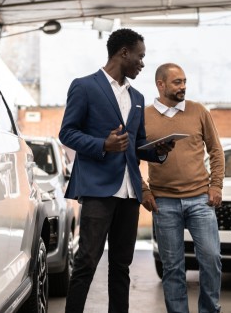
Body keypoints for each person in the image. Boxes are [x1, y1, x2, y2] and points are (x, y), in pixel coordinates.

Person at [59, 29, 173, 313]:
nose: (143, 63)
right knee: (86, 261)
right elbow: (67, 132)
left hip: (130, 192)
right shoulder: (84, 86)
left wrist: (157, 150)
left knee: (121, 266)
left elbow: (137, 143)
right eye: (140, 56)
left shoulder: (137, 97)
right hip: (98, 189)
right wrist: (102, 144)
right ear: (124, 53)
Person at [142, 63, 225, 313]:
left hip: (200, 199)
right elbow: (132, 159)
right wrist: (144, 190)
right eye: (177, 82)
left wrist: (216, 185)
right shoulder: (143, 117)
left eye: (184, 81)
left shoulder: (198, 110)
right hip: (163, 202)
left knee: (211, 259)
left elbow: (216, 150)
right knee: (173, 267)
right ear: (161, 84)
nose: (183, 87)